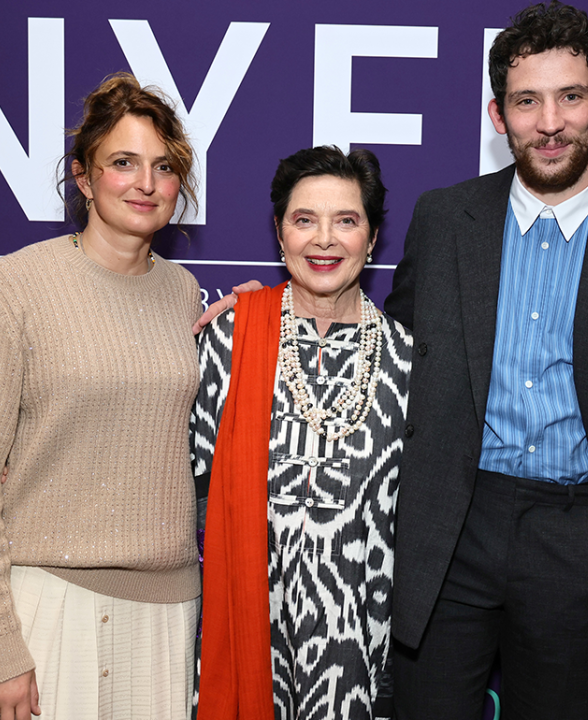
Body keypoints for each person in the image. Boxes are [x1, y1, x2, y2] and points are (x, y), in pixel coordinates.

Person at [383, 3, 588, 719]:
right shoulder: (442, 220)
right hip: (451, 530)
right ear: (499, 115)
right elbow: (390, 355)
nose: (550, 121)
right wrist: (281, 314)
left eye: (571, 96)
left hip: (582, 536)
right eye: (526, 100)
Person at [0, 73, 204, 720]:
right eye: (123, 163)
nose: (146, 183)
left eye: (163, 167)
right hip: (40, 605)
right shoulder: (15, 287)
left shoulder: (185, 295)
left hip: (164, 612)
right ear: (83, 178)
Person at [191, 146, 413, 720]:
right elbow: (183, 489)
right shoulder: (230, 338)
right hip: (242, 632)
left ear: (372, 235)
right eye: (304, 219)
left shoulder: (409, 361)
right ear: (279, 231)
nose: (324, 240)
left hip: (358, 651)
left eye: (346, 220)